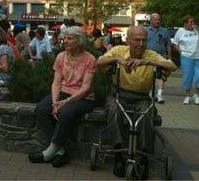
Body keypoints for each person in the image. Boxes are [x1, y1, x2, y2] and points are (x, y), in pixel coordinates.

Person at [96, 26, 177, 177]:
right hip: (118, 95)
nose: (141, 44)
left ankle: (144, 158)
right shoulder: (119, 50)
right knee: (115, 112)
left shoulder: (151, 55)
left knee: (147, 116)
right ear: (128, 40)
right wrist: (116, 59)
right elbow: (98, 62)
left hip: (141, 97)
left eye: (144, 40)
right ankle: (119, 157)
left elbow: (172, 66)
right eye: (137, 40)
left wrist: (147, 63)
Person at [28, 26, 96, 168]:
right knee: (41, 109)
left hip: (82, 97)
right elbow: (56, 82)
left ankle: (49, 152)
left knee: (65, 112)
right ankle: (60, 151)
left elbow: (86, 88)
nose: (65, 41)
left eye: (69, 38)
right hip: (63, 92)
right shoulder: (60, 56)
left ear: (80, 40)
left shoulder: (89, 59)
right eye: (64, 38)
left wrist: (65, 102)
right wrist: (54, 103)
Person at [173, 15, 199, 105]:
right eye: (191, 22)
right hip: (186, 57)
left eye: (194, 22)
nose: (193, 24)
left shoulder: (197, 30)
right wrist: (181, 52)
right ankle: (187, 95)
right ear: (185, 23)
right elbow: (175, 44)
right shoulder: (180, 31)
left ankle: (196, 95)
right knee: (187, 77)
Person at [145, 13, 173, 103]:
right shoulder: (145, 30)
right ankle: (149, 94)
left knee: (162, 75)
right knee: (149, 76)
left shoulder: (164, 31)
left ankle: (159, 95)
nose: (158, 21)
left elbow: (168, 44)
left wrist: (169, 57)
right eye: (156, 19)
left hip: (162, 57)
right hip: (149, 57)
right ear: (151, 20)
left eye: (159, 19)